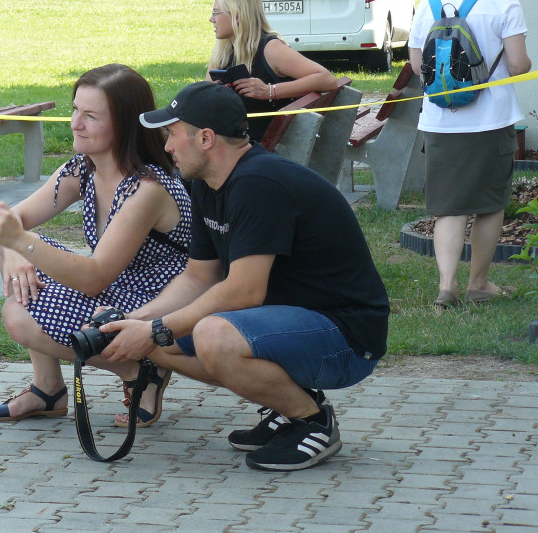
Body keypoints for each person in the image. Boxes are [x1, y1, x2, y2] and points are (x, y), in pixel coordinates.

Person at [99, 82, 390, 471]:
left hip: (348, 339)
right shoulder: (207, 183)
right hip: (297, 324)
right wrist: (133, 323)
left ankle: (312, 422)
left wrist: (155, 330)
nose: (167, 147)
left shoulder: (259, 184)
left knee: (210, 335)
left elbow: (244, 292)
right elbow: (197, 278)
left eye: (172, 134)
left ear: (205, 138)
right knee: (160, 342)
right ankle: (288, 408)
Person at [0, 64, 192, 426]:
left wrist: (20, 242)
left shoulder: (148, 188)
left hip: (160, 299)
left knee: (18, 312)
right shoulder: (83, 168)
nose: (75, 123)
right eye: (75, 109)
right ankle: (48, 389)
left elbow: (94, 278)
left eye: (90, 116)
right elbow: (8, 221)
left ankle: (139, 370)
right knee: (22, 267)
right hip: (117, 286)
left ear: (125, 125)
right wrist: (13, 250)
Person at [408, 0, 530, 309]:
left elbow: (417, 65)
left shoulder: (429, 0)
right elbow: (518, 64)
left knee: (449, 206)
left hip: (439, 121)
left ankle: (447, 287)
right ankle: (479, 283)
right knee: (490, 204)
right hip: (491, 119)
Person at [208, 0, 338, 142]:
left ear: (237, 15)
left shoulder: (271, 48)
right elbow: (204, 95)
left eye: (216, 12)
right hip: (231, 139)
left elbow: (327, 80)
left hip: (254, 144)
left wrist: (270, 91)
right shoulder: (223, 51)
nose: (211, 19)